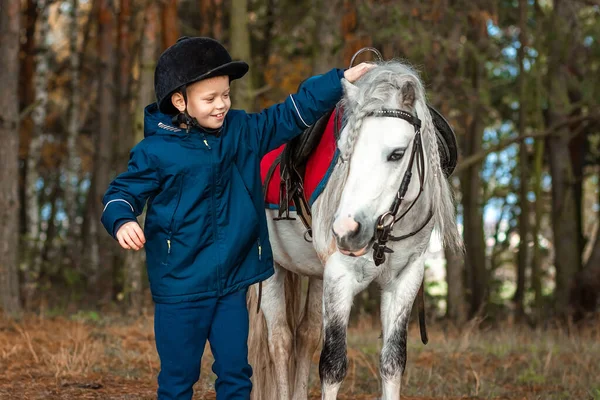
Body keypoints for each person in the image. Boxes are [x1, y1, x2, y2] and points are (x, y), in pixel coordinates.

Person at [100, 36, 373, 400]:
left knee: (236, 375)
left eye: (225, 95)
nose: (221, 105)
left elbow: (291, 112)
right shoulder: (155, 152)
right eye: (209, 99)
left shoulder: (243, 132)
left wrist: (339, 81)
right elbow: (121, 194)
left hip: (231, 286)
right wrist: (122, 220)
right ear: (180, 102)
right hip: (180, 288)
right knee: (178, 380)